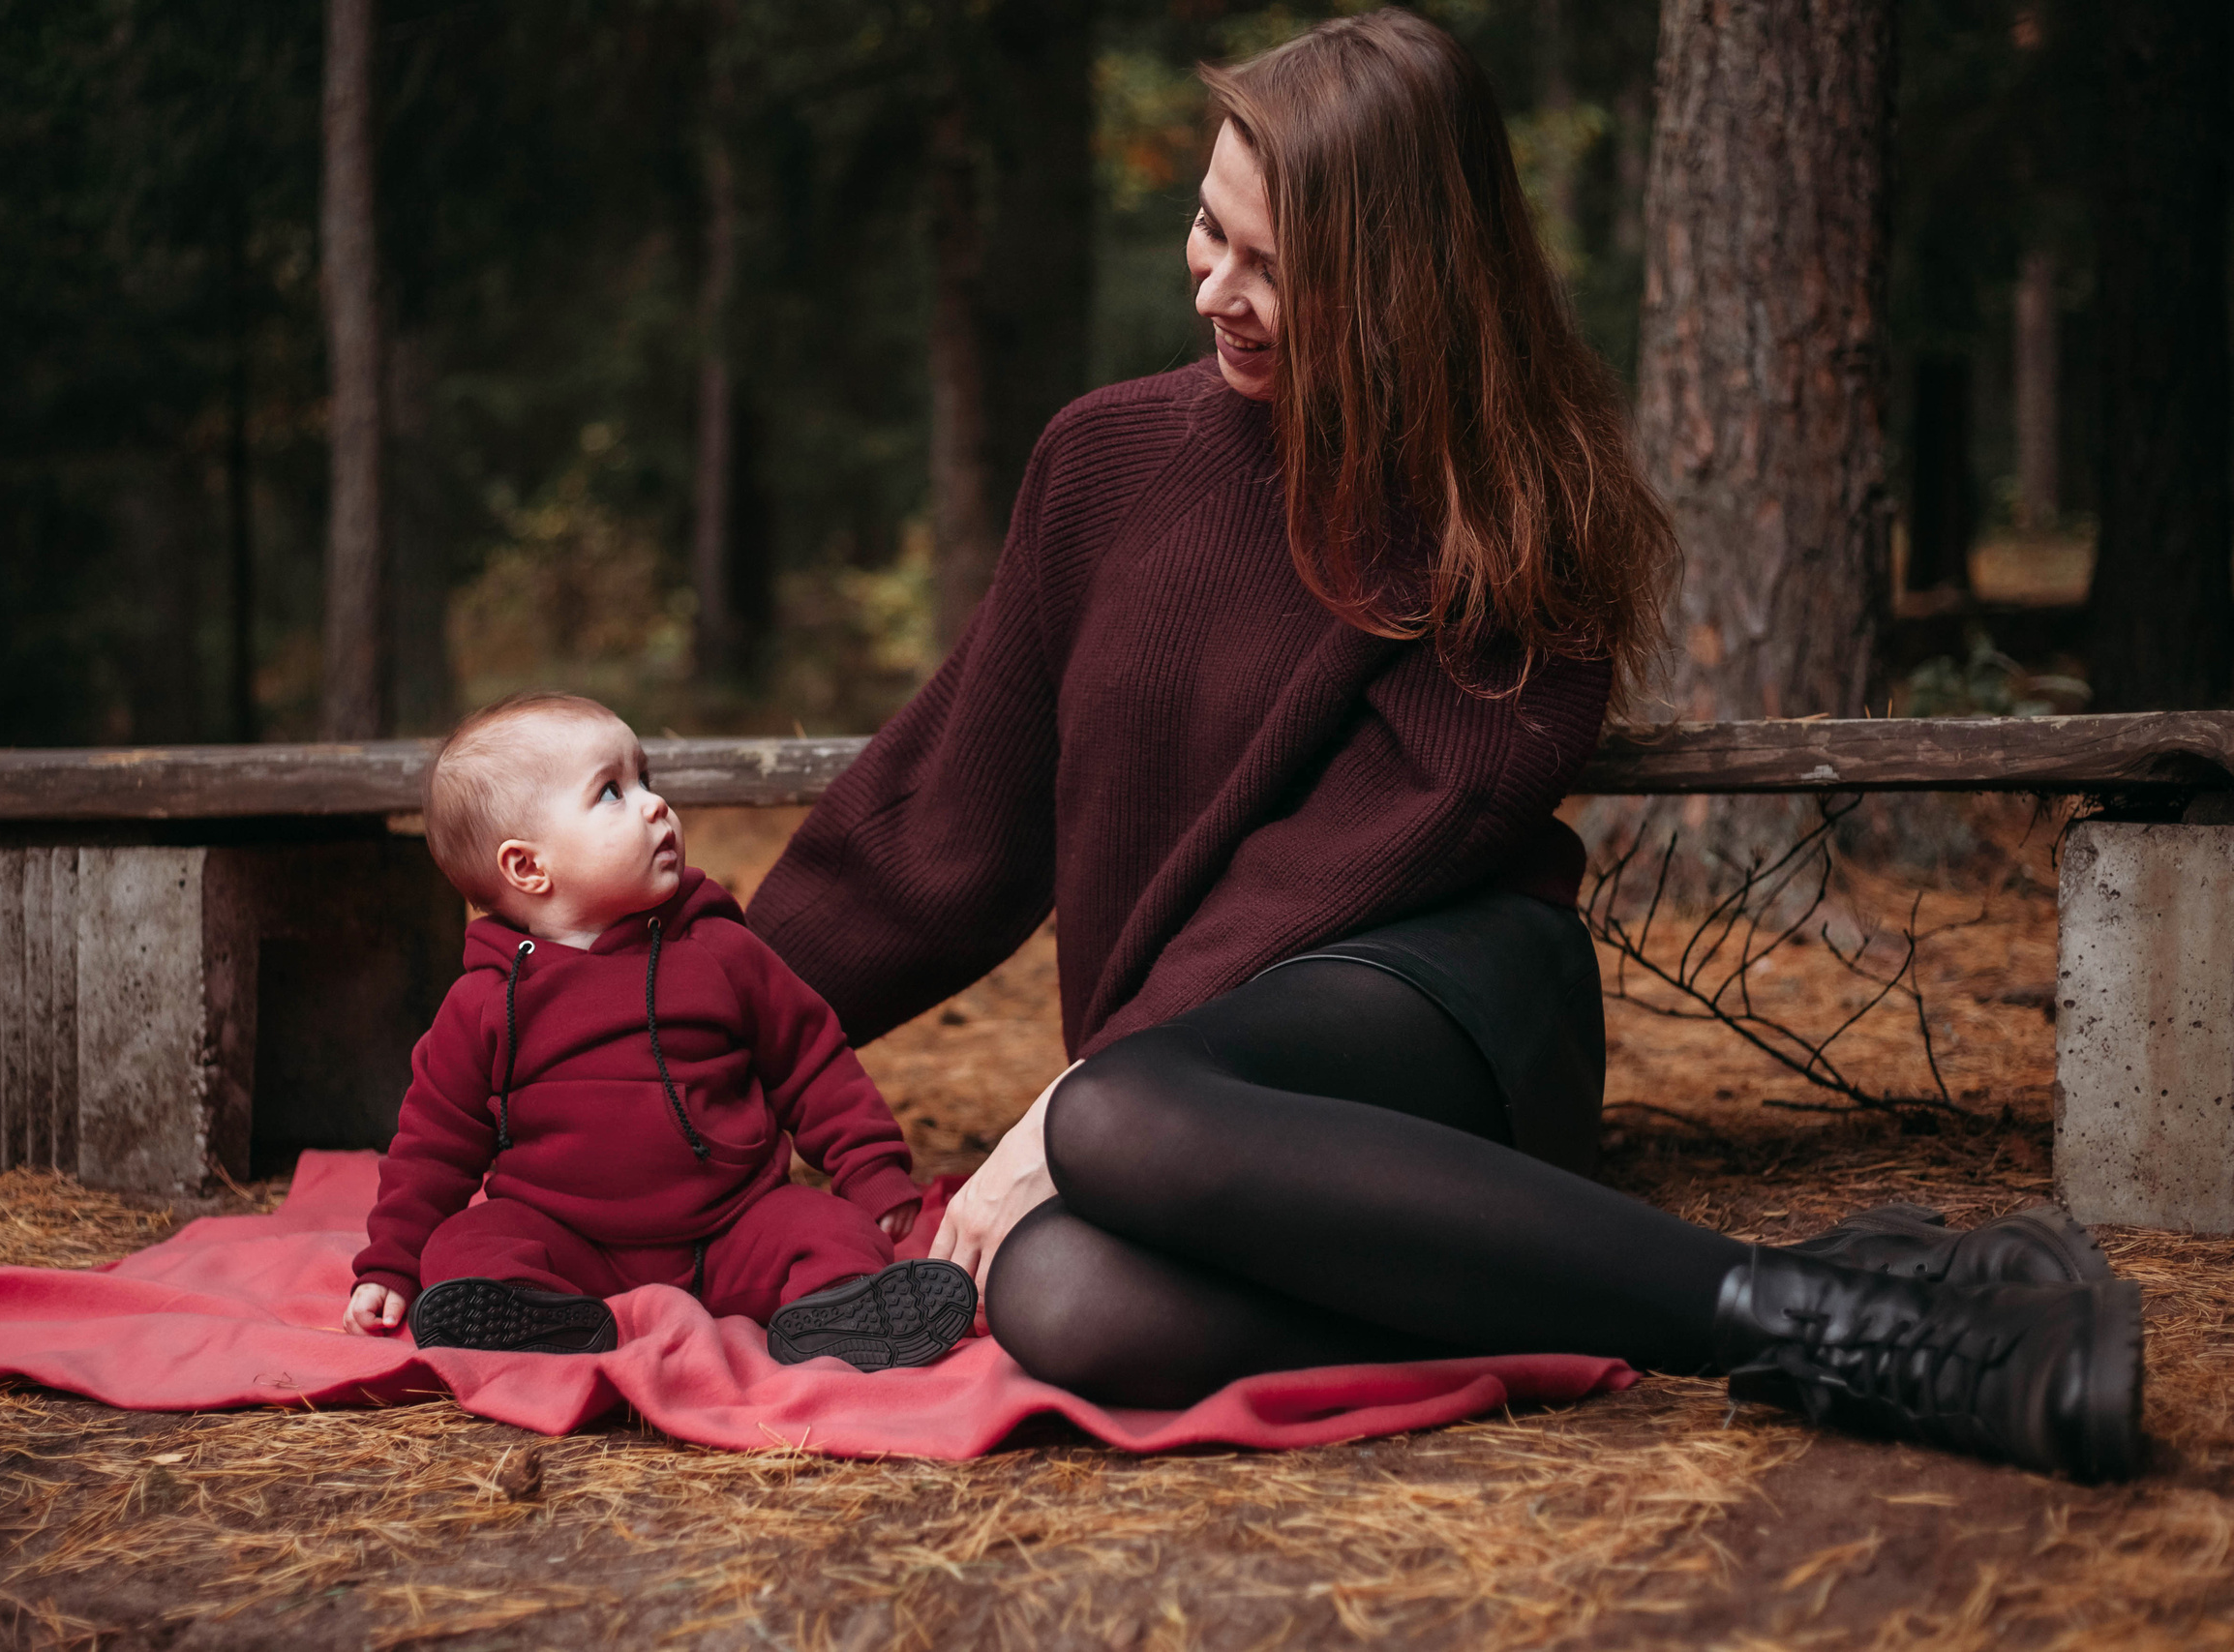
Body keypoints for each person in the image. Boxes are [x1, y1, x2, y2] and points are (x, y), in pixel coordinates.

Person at [748, 11, 2144, 1479]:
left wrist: (1078, 1093)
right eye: (1208, 231)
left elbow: (1399, 827)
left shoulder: (1500, 492)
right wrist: (696, 1029)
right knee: (1063, 1297)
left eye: (1276, 268)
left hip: (1437, 1007)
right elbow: (941, 821)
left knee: (1115, 1110)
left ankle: (1839, 1323)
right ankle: (1700, 1282)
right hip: (1175, 1088)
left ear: (1396, 277)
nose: (1218, 287)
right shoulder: (1099, 460)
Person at [343, 691, 976, 1371]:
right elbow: (433, 1145)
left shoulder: (720, 952)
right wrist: (392, 1264)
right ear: (528, 867)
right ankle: (533, 1318)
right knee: (467, 1243)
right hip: (569, 1240)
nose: (653, 804)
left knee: (828, 1228)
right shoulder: (484, 1003)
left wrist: (870, 1167)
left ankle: (840, 1311)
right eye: (611, 792)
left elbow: (811, 1061)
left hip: (733, 1228)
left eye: (647, 779)